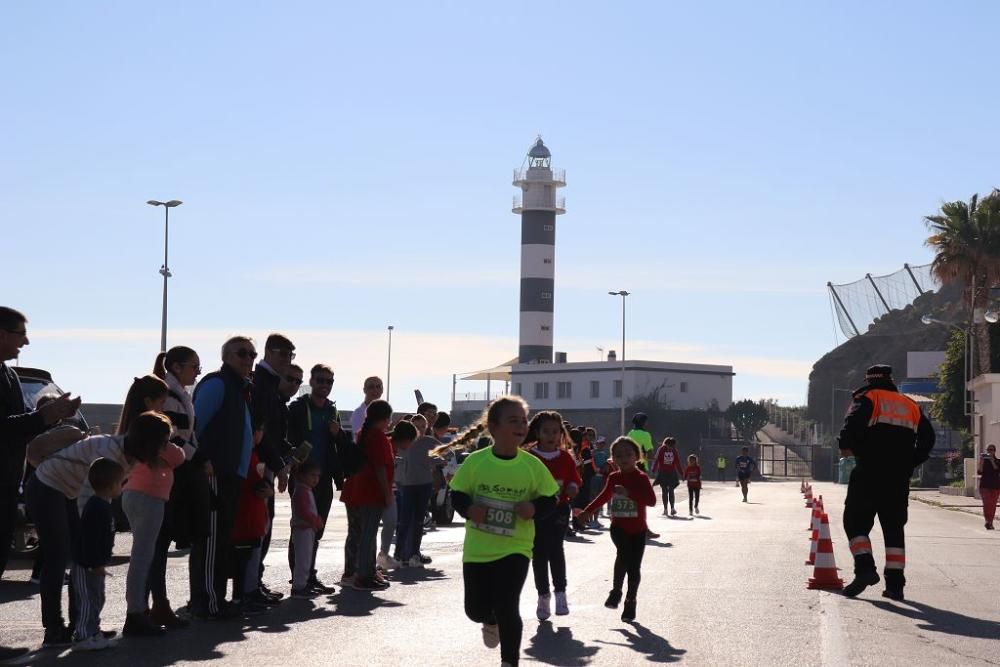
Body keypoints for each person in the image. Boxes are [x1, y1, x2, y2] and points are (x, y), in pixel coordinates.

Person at [25, 412, 168, 646]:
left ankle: (81, 625)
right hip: (47, 486)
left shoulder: (128, 457)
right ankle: (55, 629)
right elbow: (90, 501)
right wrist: (92, 544)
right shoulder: (110, 453)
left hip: (67, 491)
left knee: (79, 559)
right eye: (162, 442)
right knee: (58, 557)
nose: (165, 447)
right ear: (149, 440)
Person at [449, 397, 559, 667]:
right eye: (514, 420)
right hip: (479, 549)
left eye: (523, 421)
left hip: (516, 547)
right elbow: (458, 494)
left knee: (508, 605)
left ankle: (509, 662)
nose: (522, 425)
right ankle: (488, 619)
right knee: (475, 610)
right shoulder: (476, 462)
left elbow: (550, 498)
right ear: (493, 427)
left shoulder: (532, 466)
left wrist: (533, 508)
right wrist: (469, 510)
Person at [838, 364, 935, 600]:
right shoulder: (910, 405)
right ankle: (895, 586)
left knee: (854, 522)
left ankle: (865, 570)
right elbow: (928, 438)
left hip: (869, 471)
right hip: (898, 476)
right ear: (891, 379)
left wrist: (850, 447)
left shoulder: (867, 398)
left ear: (869, 380)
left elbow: (849, 430)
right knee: (894, 529)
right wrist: (911, 460)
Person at [0, 307, 80, 588]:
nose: (26, 342)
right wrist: (45, 415)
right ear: (2, 334)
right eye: (21, 334)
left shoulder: (8, 375)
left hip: (8, 485)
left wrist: (52, 417)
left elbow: (20, 424)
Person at [190, 335, 257, 619]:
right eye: (242, 353)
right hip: (215, 473)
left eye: (252, 354)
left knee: (222, 540)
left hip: (232, 476)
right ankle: (208, 602)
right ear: (227, 356)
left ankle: (216, 598)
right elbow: (194, 426)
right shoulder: (217, 384)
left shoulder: (240, 388)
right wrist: (204, 460)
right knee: (211, 540)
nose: (248, 359)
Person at [118, 376, 185, 637]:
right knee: (142, 556)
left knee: (142, 555)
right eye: (160, 400)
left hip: (134, 495)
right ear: (149, 401)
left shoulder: (133, 427)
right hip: (149, 498)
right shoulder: (152, 429)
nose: (164, 405)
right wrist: (174, 439)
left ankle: (139, 610)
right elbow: (176, 456)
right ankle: (135, 613)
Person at [152, 346, 205, 628]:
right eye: (194, 366)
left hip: (177, 470)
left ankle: (157, 605)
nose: (197, 371)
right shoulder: (170, 397)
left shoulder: (180, 394)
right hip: (170, 473)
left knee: (161, 542)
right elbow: (175, 437)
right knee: (158, 544)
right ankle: (157, 604)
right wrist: (199, 458)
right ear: (176, 366)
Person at [579, 436, 656, 623]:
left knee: (634, 566)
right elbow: (603, 496)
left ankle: (631, 600)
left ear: (637, 456)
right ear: (613, 458)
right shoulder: (614, 478)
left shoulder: (641, 478)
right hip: (619, 527)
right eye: (619, 455)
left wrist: (629, 493)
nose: (624, 458)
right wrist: (587, 511)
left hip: (638, 529)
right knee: (622, 555)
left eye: (628, 454)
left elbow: (651, 501)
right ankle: (616, 591)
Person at [286, 363, 347, 592]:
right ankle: (299, 578)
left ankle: (309, 575)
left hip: (324, 479)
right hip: (302, 479)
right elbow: (288, 438)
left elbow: (339, 444)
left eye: (329, 381)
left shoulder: (332, 410)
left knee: (317, 529)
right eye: (320, 380)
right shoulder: (299, 408)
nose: (324, 385)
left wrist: (338, 433)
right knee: (301, 529)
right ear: (311, 382)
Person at [251, 334, 296, 600]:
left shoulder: (269, 386)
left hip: (267, 463)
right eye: (281, 353)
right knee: (258, 527)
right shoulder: (261, 383)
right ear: (267, 352)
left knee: (263, 525)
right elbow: (261, 431)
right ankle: (250, 586)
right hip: (259, 465)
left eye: (289, 355)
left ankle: (254, 581)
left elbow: (273, 433)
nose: (285, 359)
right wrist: (278, 465)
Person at [525, 410, 580, 621]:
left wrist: (573, 487)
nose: (551, 436)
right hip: (536, 511)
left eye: (555, 432)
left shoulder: (565, 458)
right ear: (537, 433)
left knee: (556, 549)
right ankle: (543, 596)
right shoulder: (529, 457)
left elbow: (574, 479)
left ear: (561, 434)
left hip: (559, 509)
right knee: (538, 553)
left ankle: (561, 593)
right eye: (546, 431)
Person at [340, 399, 394, 591]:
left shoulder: (365, 433)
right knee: (368, 535)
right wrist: (387, 494)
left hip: (358, 491)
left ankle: (358, 572)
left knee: (360, 533)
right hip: (371, 493)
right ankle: (363, 576)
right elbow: (380, 468)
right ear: (386, 418)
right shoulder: (377, 437)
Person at [71, 458, 124, 651]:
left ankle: (93, 631)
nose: (122, 486)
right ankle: (83, 635)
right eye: (120, 482)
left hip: (96, 564)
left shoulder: (104, 505)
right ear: (110, 486)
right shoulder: (96, 507)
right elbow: (90, 540)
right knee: (87, 600)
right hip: (87, 565)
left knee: (98, 598)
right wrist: (95, 563)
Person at [230, 436, 273, 614]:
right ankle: (242, 597)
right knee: (245, 560)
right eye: (258, 430)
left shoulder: (251, 453)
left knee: (251, 558)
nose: (260, 435)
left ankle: (247, 593)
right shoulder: (248, 454)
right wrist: (267, 488)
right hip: (248, 514)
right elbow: (258, 486)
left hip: (253, 514)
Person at [396, 417, 438, 568]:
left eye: (422, 426)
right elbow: (395, 459)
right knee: (404, 521)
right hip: (407, 485)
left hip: (424, 485)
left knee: (419, 521)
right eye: (417, 426)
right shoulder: (404, 442)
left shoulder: (429, 441)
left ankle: (415, 554)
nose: (420, 429)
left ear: (426, 427)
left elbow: (448, 454)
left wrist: (433, 461)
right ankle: (398, 555)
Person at [290, 461, 325, 598]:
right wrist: (315, 520)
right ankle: (299, 587)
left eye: (317, 476)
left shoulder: (305, 489)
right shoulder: (301, 491)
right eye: (312, 475)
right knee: (303, 560)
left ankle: (302, 584)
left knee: (305, 559)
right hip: (302, 529)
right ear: (302, 475)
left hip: (307, 529)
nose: (316, 479)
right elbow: (303, 511)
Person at [650, 437, 683, 517]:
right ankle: (665, 509)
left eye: (672, 446)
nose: (671, 447)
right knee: (664, 491)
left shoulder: (674, 451)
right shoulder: (661, 450)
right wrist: (653, 470)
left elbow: (677, 462)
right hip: (662, 473)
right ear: (666, 444)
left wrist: (681, 473)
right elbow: (656, 459)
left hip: (671, 473)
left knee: (671, 490)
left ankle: (672, 508)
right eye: (669, 445)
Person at [979, 443, 1000, 530]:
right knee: (987, 504)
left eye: (991, 450)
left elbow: (997, 470)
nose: (989, 451)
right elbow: (980, 472)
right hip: (985, 486)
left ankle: (990, 522)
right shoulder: (984, 461)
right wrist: (981, 461)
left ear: (994, 451)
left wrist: (992, 460)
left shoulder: (998, 461)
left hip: (995, 486)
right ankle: (987, 521)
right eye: (988, 450)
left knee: (993, 505)